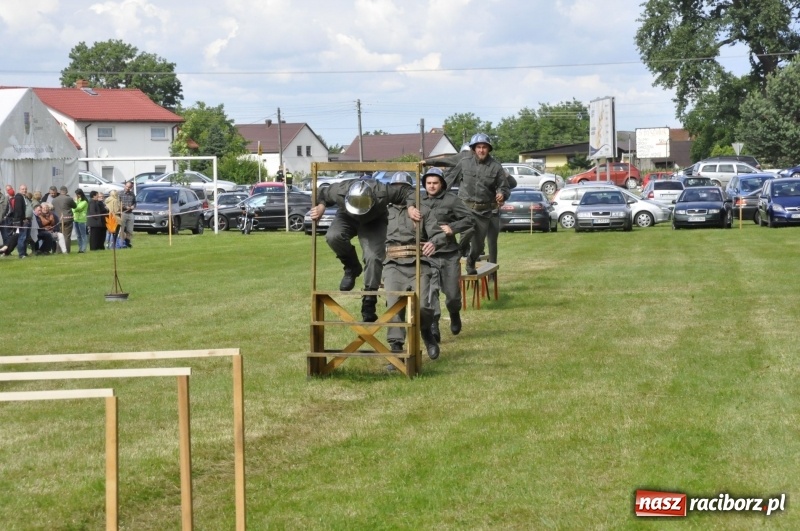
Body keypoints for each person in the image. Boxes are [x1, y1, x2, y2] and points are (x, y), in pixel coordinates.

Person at [308, 177, 418, 322]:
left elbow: (408, 191)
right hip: (347, 215)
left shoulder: (383, 191)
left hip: (374, 219)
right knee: (333, 236)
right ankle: (351, 267)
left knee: (373, 256)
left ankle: (369, 300)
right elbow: (320, 192)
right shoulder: (339, 191)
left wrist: (410, 207)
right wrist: (321, 206)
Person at [382, 172, 445, 361]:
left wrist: (434, 242)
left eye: (404, 188)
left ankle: (426, 331)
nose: (399, 191)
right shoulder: (384, 212)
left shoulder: (422, 210)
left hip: (419, 263)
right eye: (395, 188)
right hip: (393, 264)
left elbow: (439, 234)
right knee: (393, 306)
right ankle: (396, 349)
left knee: (423, 306)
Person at [419, 167, 475, 338]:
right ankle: (434, 325)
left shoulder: (451, 200)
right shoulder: (418, 201)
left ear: (441, 184)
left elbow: (470, 219)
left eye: (435, 183)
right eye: (428, 183)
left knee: (452, 295)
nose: (432, 186)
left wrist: (452, 228)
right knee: (431, 293)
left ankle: (454, 313)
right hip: (428, 255)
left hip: (449, 253)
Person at [445, 133, 509, 274]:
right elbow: (448, 180)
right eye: (478, 147)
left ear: (488, 149)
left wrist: (501, 194)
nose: (481, 150)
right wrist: (440, 195)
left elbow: (504, 187)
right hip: (464, 208)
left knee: (479, 246)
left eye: (484, 147)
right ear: (474, 149)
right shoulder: (464, 162)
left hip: (484, 211)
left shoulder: (496, 167)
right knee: (466, 231)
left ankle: (471, 262)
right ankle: (458, 253)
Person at [0, 184, 32, 258]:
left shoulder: (24, 197)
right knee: (22, 237)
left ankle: (24, 252)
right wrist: (21, 220)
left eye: (25, 189)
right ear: (19, 190)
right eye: (23, 189)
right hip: (22, 221)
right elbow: (18, 210)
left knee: (25, 238)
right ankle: (21, 254)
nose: (24, 190)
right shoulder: (18, 197)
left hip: (27, 220)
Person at [51, 186, 76, 253]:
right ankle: (66, 250)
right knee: (67, 236)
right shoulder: (68, 198)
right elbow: (75, 206)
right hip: (67, 219)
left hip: (58, 220)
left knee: (59, 235)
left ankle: (58, 251)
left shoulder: (54, 200)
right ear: (66, 191)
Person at [119, 181, 136, 248]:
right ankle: (121, 243)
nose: (128, 188)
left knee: (130, 229)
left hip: (130, 213)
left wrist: (133, 206)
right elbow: (118, 203)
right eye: (127, 186)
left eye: (129, 187)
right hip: (123, 213)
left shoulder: (132, 194)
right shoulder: (120, 193)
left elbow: (135, 202)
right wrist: (125, 207)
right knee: (122, 229)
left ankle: (128, 242)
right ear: (125, 186)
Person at [72, 188, 89, 253]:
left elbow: (77, 208)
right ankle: (80, 248)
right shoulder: (78, 201)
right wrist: (74, 207)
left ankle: (83, 249)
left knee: (83, 235)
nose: (76, 196)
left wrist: (75, 202)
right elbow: (73, 208)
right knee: (78, 235)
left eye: (77, 194)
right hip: (75, 219)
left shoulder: (84, 201)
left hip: (81, 220)